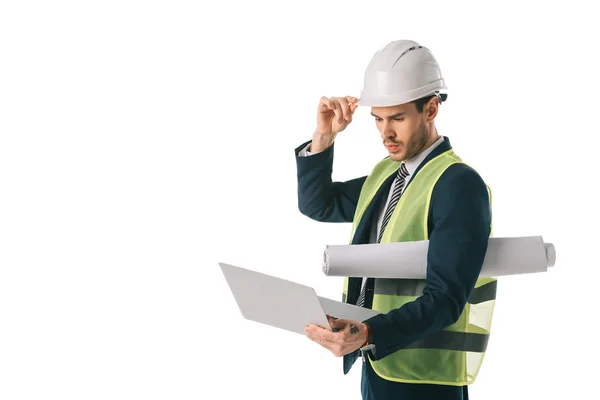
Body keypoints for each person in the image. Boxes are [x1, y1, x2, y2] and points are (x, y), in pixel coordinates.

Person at [296, 40, 497, 400]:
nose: (385, 133)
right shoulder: (386, 177)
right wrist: (323, 136)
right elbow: (319, 204)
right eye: (378, 119)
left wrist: (369, 333)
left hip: (425, 381)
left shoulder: (458, 184)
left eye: (397, 118)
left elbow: (446, 298)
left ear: (431, 109)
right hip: (377, 365)